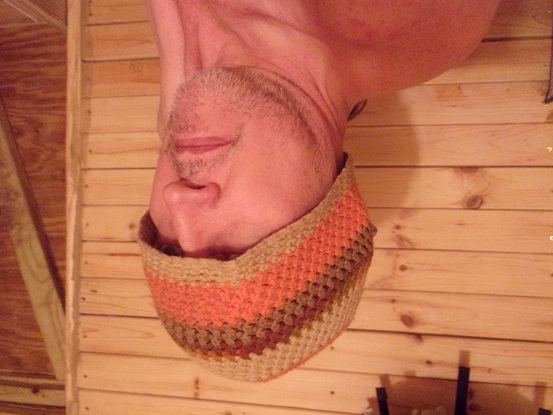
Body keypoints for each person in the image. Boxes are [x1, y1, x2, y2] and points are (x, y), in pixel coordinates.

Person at [138, 0, 500, 382]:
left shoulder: (192, 58)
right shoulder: (427, 21)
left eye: (168, 250)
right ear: (331, 209)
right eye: (232, 253)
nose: (178, 200)